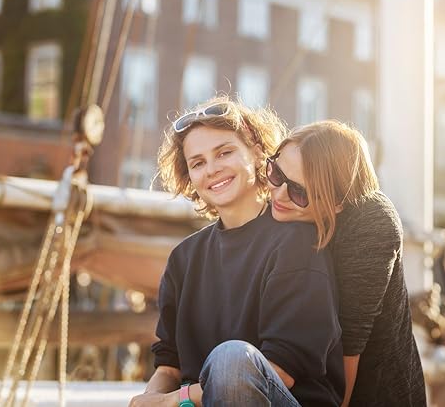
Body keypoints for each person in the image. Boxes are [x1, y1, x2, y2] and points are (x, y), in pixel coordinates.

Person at [129, 98, 345, 407]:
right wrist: (150, 399)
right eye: (198, 163)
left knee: (232, 359)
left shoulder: (297, 242)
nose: (213, 169)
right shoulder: (183, 259)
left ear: (257, 152)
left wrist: (175, 401)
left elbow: (280, 370)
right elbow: (168, 365)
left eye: (224, 152)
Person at [267, 120, 427, 407]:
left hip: (371, 394)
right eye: (276, 172)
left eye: (299, 192)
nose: (277, 194)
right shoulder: (283, 205)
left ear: (338, 202)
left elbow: (349, 345)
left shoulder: (372, 223)